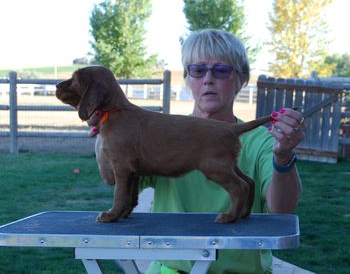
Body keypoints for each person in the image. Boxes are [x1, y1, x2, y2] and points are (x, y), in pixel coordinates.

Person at [89, 29, 305, 274]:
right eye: (198, 70)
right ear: (188, 79)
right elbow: (110, 177)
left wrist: (284, 156)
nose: (208, 79)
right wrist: (105, 131)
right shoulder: (158, 132)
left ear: (241, 80)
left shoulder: (260, 142)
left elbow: (283, 211)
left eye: (221, 70)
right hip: (168, 270)